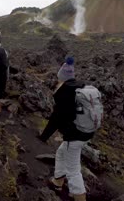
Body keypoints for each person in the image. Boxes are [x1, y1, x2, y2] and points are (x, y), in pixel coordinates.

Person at [38, 57, 91, 201]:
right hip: (86, 132)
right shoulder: (80, 87)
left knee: (73, 170)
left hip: (74, 135)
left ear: (62, 77)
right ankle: (58, 182)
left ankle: (80, 197)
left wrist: (43, 137)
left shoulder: (65, 92)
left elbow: (55, 119)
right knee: (61, 153)